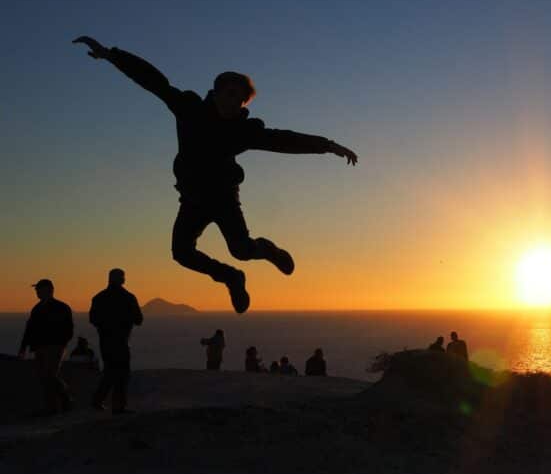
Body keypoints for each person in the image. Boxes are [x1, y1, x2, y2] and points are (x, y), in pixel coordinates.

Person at [72, 36, 359, 314]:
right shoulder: (189, 108)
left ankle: (269, 251)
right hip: (193, 198)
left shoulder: (243, 132)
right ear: (217, 91)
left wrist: (328, 146)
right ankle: (231, 278)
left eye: (242, 99)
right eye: (231, 94)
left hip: (223, 197)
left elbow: (284, 140)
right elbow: (153, 81)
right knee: (182, 253)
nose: (235, 102)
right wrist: (111, 55)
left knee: (242, 250)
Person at [89, 269, 144, 413]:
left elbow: (93, 319)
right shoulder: (128, 297)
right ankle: (118, 406)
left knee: (110, 370)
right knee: (122, 373)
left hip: (105, 341)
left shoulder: (99, 297)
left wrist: (105, 325)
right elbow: (139, 319)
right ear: (122, 280)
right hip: (121, 340)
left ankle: (98, 400)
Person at [17, 279, 75, 414]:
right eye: (37, 289)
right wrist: (23, 348)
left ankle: (58, 403)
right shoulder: (36, 309)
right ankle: (58, 403)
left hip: (55, 347)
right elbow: (29, 329)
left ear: (49, 290)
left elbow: (68, 328)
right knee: (44, 377)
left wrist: (61, 344)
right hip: (40, 347)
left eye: (39, 289)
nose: (36, 292)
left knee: (49, 375)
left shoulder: (61, 307)